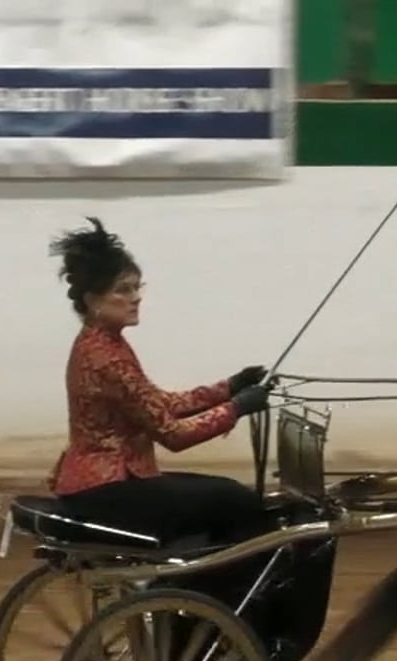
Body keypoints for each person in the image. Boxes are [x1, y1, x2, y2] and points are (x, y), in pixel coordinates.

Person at [44, 216, 272, 546]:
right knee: (238, 501)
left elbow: (158, 403)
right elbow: (172, 434)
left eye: (138, 287)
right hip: (108, 490)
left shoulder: (103, 344)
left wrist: (229, 388)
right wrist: (236, 409)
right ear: (93, 301)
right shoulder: (107, 357)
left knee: (223, 494)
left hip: (103, 484)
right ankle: (216, 592)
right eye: (124, 290)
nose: (136, 297)